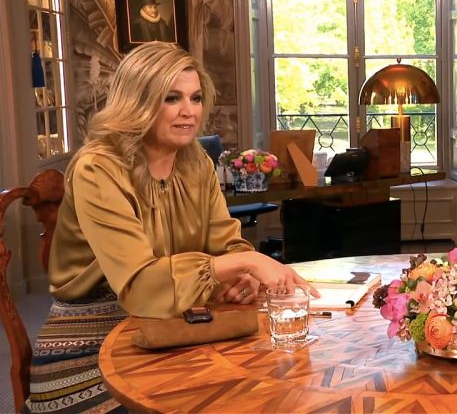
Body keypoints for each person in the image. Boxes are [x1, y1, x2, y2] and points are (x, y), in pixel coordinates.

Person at [25, 42, 317, 413]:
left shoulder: (196, 161)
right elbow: (140, 285)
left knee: (268, 388)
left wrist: (244, 270)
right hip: (89, 334)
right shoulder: (98, 168)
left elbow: (226, 243)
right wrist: (246, 265)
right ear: (138, 101)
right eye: (171, 98)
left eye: (195, 98)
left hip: (175, 320)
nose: (188, 112)